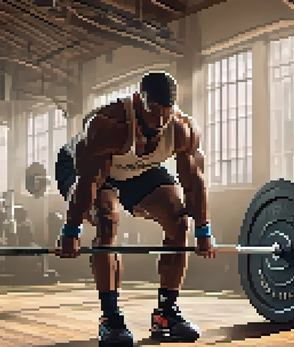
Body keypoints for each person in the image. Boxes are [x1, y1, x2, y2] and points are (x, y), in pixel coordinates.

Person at [55, 72, 215, 346]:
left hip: (138, 169)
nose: (160, 122)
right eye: (154, 113)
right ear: (140, 100)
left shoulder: (181, 129)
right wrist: (71, 230)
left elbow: (194, 183)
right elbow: (91, 180)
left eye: (167, 114)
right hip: (84, 168)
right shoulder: (109, 124)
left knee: (179, 222)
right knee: (107, 220)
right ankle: (111, 318)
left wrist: (204, 230)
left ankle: (166, 313)